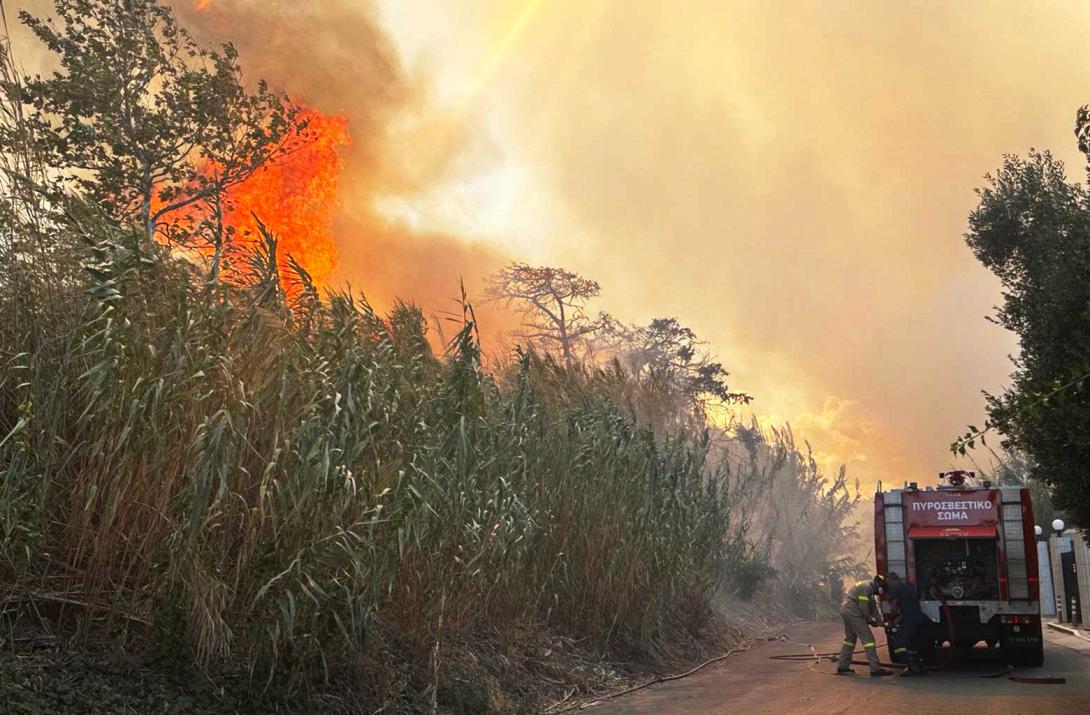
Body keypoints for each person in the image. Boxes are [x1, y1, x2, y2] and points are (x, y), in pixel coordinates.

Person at [836, 575, 894, 677]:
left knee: (849, 640)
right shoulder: (866, 587)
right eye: (882, 589)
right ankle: (875, 668)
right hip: (854, 613)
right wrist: (870, 621)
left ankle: (843, 666)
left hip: (848, 611)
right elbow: (864, 607)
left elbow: (873, 606)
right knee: (869, 641)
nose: (881, 592)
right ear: (879, 585)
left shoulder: (869, 588)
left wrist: (880, 620)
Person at [886, 572, 926, 676]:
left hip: (909, 620)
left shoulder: (894, 588)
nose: (888, 585)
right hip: (919, 618)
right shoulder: (908, 587)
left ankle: (912, 667)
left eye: (888, 582)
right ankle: (919, 666)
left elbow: (894, 608)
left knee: (898, 645)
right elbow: (906, 611)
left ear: (893, 580)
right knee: (912, 645)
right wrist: (895, 623)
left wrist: (890, 620)